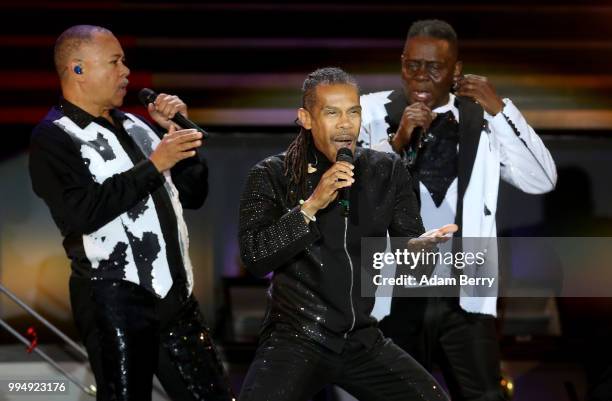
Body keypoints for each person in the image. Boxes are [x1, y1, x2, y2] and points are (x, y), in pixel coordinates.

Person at [28, 25, 233, 401]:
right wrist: (154, 165)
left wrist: (178, 138)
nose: (126, 71)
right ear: (78, 69)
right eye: (115, 61)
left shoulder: (136, 126)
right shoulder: (54, 136)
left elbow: (192, 193)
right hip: (114, 301)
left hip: (176, 299)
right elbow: (81, 213)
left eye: (124, 60)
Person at [359, 19, 558, 401]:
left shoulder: (482, 117)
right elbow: (352, 188)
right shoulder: (372, 111)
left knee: (485, 395)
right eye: (411, 64)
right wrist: (396, 143)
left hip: (465, 291)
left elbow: (541, 179)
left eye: (433, 67)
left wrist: (501, 110)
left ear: (456, 70)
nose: (420, 76)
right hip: (394, 289)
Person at [238, 67, 455, 401]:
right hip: (296, 337)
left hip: (360, 338)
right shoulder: (272, 174)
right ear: (305, 118)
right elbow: (254, 256)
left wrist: (421, 250)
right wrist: (310, 207)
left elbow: (413, 266)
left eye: (353, 112)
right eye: (332, 113)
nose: (345, 124)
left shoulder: (386, 170)